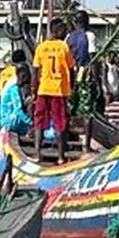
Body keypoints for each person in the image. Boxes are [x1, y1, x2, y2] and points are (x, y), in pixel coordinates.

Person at [32, 19, 75, 156]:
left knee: (39, 121)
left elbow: (36, 71)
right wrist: (71, 87)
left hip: (43, 89)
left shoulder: (41, 47)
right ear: (59, 31)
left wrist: (34, 89)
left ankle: (37, 152)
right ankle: (61, 156)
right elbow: (71, 69)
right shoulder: (64, 47)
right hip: (59, 90)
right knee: (59, 122)